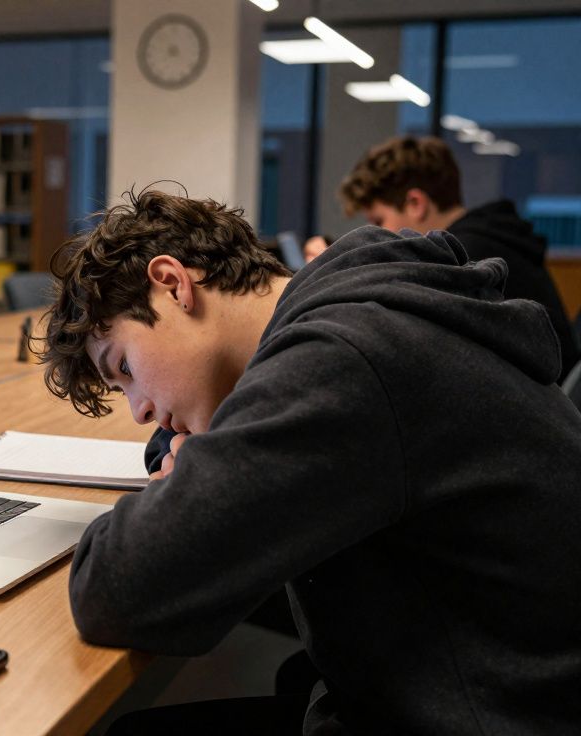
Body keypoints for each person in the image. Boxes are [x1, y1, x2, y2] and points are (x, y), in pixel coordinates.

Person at [36, 188, 581, 734]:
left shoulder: (342, 359)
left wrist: (175, 494)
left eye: (124, 367)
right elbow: (178, 449)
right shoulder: (362, 309)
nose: (139, 410)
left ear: (173, 284)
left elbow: (115, 590)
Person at [337, 135, 578, 377]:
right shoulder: (492, 238)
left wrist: (335, 271)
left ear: (415, 204)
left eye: (379, 221)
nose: (378, 233)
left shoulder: (461, 259)